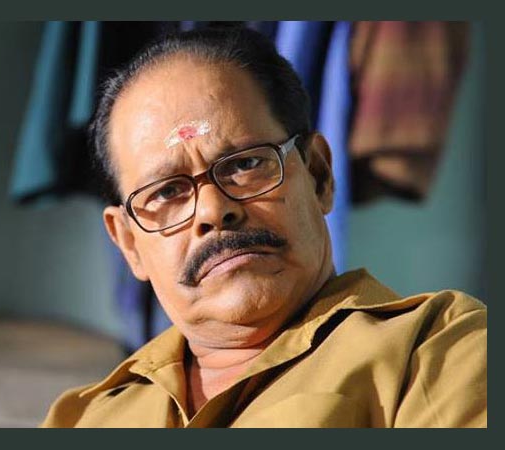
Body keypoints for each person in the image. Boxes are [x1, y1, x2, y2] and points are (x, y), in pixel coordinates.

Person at [41, 27, 487, 428]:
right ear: (129, 243)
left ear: (318, 175)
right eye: (167, 192)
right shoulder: (84, 419)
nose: (212, 210)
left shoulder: (440, 352)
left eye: (246, 165)